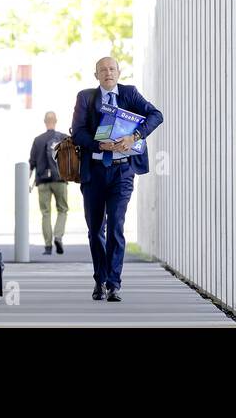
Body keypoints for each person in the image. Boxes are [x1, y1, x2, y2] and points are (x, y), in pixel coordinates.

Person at [69, 57, 163, 302]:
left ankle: (114, 284)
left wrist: (135, 136)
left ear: (119, 73)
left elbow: (156, 115)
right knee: (95, 228)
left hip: (122, 171)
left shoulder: (130, 94)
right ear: (96, 75)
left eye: (112, 69)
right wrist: (97, 143)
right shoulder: (86, 98)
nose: (108, 73)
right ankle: (99, 280)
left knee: (117, 226)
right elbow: (77, 132)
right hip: (95, 171)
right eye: (103, 70)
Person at [28, 111, 69, 255]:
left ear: (45, 122)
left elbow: (31, 163)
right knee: (62, 210)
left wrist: (27, 181)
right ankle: (58, 236)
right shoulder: (63, 138)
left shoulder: (37, 140)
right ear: (56, 121)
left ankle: (47, 246)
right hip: (59, 179)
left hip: (42, 181)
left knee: (45, 213)